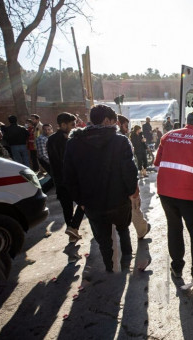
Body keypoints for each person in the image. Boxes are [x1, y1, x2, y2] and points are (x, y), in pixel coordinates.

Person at [63, 105, 138, 273]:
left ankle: (110, 267)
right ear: (106, 121)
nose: (116, 124)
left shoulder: (74, 143)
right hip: (119, 200)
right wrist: (131, 191)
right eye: (114, 121)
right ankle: (126, 261)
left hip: (91, 203)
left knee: (103, 239)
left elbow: (69, 177)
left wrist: (81, 201)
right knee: (123, 229)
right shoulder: (120, 141)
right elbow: (129, 171)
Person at [153, 111, 193, 281]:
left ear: (186, 122)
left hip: (165, 192)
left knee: (174, 228)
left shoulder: (167, 136)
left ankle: (176, 266)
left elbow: (157, 164)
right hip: (189, 194)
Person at [47, 113, 85, 243]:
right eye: (72, 125)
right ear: (63, 125)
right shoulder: (68, 139)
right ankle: (74, 227)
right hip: (71, 179)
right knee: (84, 202)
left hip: (59, 179)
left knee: (67, 207)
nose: (75, 127)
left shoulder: (51, 139)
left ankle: (72, 233)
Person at [117, 114, 150, 240]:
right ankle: (142, 231)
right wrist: (134, 188)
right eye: (126, 125)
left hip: (112, 187)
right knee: (134, 208)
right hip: (124, 184)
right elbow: (128, 166)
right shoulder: (121, 140)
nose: (127, 128)